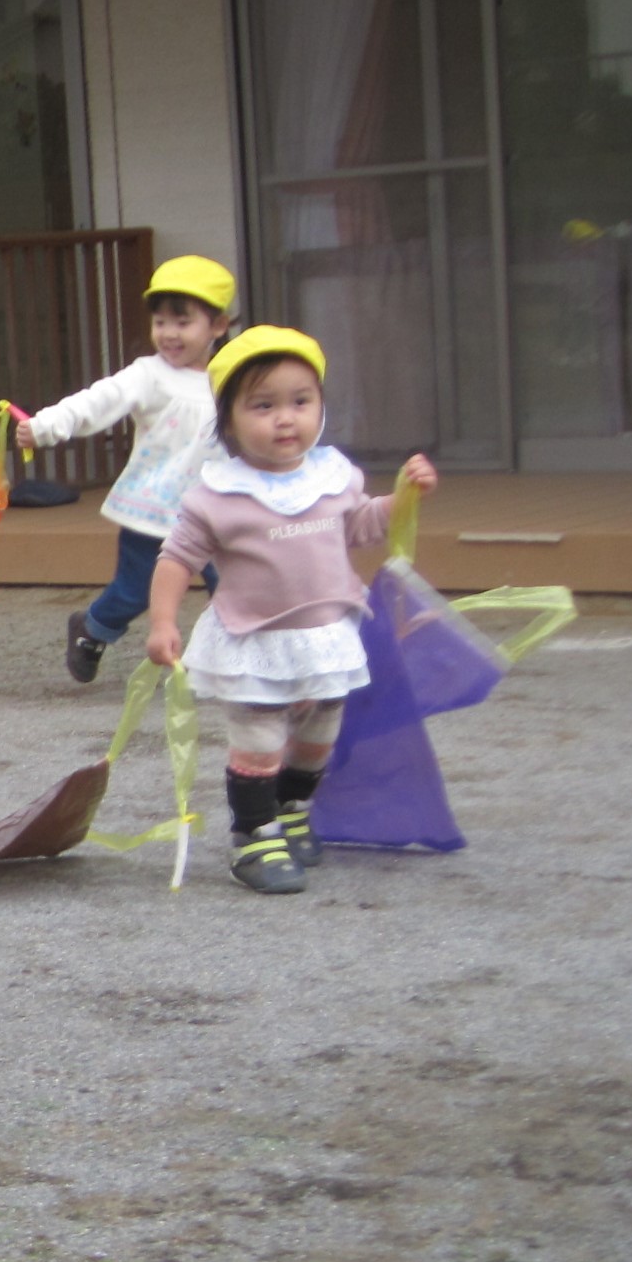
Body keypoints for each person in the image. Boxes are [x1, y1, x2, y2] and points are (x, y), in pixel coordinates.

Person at [144, 327, 439, 894]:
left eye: (300, 401)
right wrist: (162, 622)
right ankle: (253, 835)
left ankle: (293, 809)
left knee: (318, 736)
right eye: (263, 406)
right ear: (229, 421)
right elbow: (177, 558)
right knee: (259, 742)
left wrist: (404, 497)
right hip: (253, 641)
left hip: (326, 636)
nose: (285, 418)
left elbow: (361, 526)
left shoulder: (333, 478)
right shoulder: (217, 496)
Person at [15, 255, 236, 685]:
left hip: (221, 509)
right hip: (154, 508)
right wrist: (45, 426)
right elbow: (98, 400)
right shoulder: (148, 374)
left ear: (219, 325)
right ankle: (92, 629)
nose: (169, 333)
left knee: (234, 586)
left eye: (183, 322)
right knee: (135, 590)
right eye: (160, 322)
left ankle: (237, 663)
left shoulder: (234, 377)